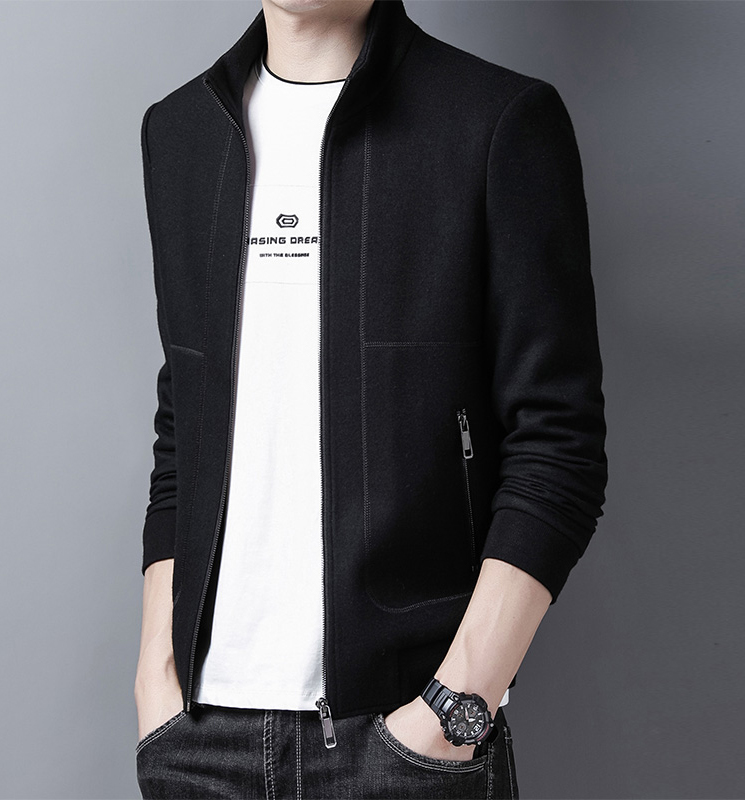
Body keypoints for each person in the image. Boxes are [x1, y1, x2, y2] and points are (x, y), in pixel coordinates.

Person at [133, 0, 608, 797]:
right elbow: (185, 421)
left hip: (406, 738)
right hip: (198, 740)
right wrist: (157, 674)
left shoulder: (495, 121)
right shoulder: (179, 131)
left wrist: (455, 707)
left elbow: (559, 441)